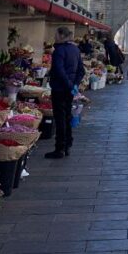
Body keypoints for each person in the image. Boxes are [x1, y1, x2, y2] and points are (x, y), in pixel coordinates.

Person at [45, 26, 84, 159]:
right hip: (69, 89)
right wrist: (75, 85)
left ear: (61, 35)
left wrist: (68, 85)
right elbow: (81, 70)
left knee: (60, 117)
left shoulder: (59, 51)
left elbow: (59, 70)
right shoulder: (75, 49)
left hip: (59, 88)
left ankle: (60, 148)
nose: (54, 37)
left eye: (55, 34)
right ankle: (68, 144)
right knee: (67, 116)